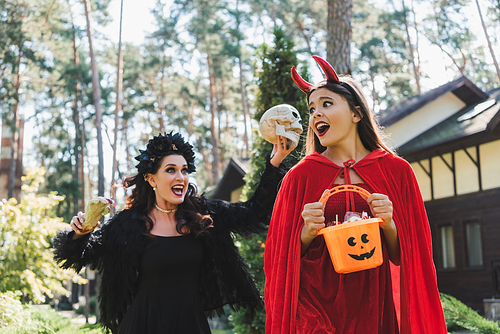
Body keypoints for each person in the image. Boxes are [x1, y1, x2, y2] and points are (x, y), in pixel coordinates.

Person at [264, 56, 447, 334]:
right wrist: (307, 233)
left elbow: (406, 257)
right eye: (312, 109)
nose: (316, 115)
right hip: (315, 306)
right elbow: (279, 260)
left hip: (374, 303)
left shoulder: (396, 171)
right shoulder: (299, 177)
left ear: (356, 113)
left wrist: (389, 223)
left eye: (326, 104)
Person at [53, 131, 293, 334]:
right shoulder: (129, 223)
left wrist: (275, 162)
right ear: (151, 179)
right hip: (143, 324)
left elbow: (254, 213)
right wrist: (80, 231)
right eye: (171, 170)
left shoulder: (204, 215)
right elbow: (77, 254)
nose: (181, 177)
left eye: (185, 170)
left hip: (191, 323)